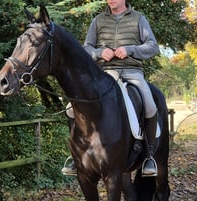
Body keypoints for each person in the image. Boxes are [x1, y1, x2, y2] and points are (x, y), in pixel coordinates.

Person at [62, 0, 159, 177]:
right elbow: (86, 48)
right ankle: (75, 156)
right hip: (104, 75)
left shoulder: (139, 19)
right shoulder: (98, 20)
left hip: (132, 73)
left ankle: (148, 157)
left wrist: (130, 49)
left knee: (150, 105)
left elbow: (152, 46)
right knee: (70, 109)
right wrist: (99, 53)